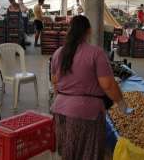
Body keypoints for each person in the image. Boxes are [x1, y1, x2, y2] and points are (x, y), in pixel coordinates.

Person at [51, 15, 131, 160]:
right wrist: (121, 103)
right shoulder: (96, 53)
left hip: (60, 110)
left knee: (69, 153)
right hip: (86, 114)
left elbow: (55, 82)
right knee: (87, 154)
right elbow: (107, 85)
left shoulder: (58, 53)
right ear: (88, 31)